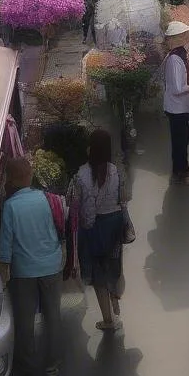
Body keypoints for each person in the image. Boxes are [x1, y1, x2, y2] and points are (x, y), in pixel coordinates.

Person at [0, 157, 64, 376]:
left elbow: (6, 245)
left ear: (11, 180)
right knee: (52, 316)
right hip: (51, 266)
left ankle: (25, 371)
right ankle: (53, 364)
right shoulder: (45, 198)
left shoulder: (10, 206)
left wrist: (3, 272)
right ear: (29, 176)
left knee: (25, 322)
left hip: (24, 271)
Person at [72, 129, 127, 332]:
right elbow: (124, 198)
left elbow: (84, 210)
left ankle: (108, 320)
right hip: (115, 223)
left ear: (90, 150)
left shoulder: (82, 175)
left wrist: (87, 230)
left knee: (97, 275)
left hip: (96, 227)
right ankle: (115, 297)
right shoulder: (115, 171)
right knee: (114, 264)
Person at [163, 21, 189, 185]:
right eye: (186, 35)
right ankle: (181, 171)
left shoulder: (180, 54)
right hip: (177, 108)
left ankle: (181, 168)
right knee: (180, 141)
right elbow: (178, 88)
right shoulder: (175, 59)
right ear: (180, 37)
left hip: (181, 106)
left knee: (183, 140)